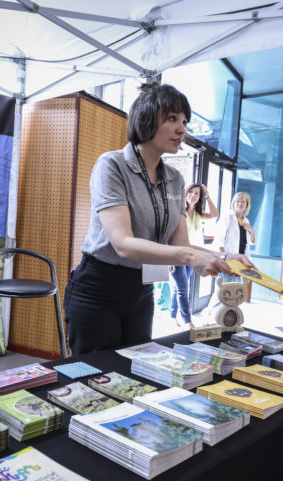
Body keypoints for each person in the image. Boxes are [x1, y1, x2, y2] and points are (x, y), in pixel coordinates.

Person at [64, 83, 251, 355]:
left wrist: (224, 257)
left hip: (141, 290)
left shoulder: (174, 179)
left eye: (184, 121)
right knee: (98, 373)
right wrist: (190, 257)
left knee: (138, 370)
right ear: (145, 120)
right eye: (172, 118)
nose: (182, 129)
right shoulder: (112, 165)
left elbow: (181, 245)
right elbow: (123, 244)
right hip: (99, 288)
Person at [169, 183, 218, 328]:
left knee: (180, 287)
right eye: (191, 192)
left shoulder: (197, 214)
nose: (193, 195)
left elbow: (215, 214)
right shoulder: (179, 212)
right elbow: (169, 234)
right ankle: (187, 321)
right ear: (185, 194)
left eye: (197, 193)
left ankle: (172, 315)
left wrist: (208, 196)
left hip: (191, 256)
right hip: (177, 255)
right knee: (183, 289)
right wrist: (169, 260)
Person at [214, 191, 256, 280]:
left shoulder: (246, 221)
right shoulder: (228, 217)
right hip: (228, 262)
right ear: (233, 203)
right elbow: (219, 240)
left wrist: (252, 230)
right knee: (226, 286)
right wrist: (225, 259)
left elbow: (251, 243)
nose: (240, 203)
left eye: (243, 201)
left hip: (242, 263)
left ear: (247, 205)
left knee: (237, 287)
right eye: (238, 201)